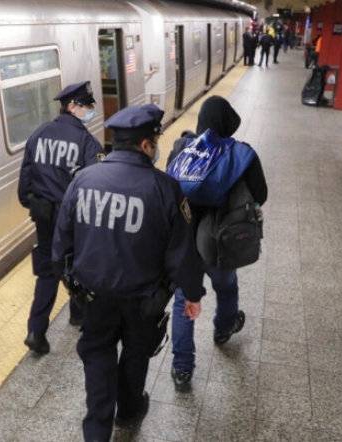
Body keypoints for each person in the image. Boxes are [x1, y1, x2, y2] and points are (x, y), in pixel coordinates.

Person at [53, 104, 205, 442]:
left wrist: (72, 286)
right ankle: (130, 408)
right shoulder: (166, 188)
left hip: (94, 298)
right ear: (147, 146)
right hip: (144, 301)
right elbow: (183, 253)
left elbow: (61, 243)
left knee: (97, 357)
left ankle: (96, 430)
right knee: (136, 354)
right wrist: (192, 295)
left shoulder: (82, 180)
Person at [166, 96, 268, 391]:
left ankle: (182, 369)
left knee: (184, 300)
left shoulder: (181, 149)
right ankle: (223, 328)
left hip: (184, 243)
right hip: (220, 242)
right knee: (226, 286)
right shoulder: (241, 155)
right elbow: (261, 194)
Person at [18, 81, 106, 354]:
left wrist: (36, 204)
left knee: (47, 273)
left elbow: (24, 187)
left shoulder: (38, 134)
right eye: (87, 105)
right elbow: (97, 185)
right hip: (73, 220)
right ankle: (79, 315)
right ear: (72, 107)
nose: (91, 110)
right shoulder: (87, 142)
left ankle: (36, 332)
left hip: (44, 219)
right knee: (77, 267)